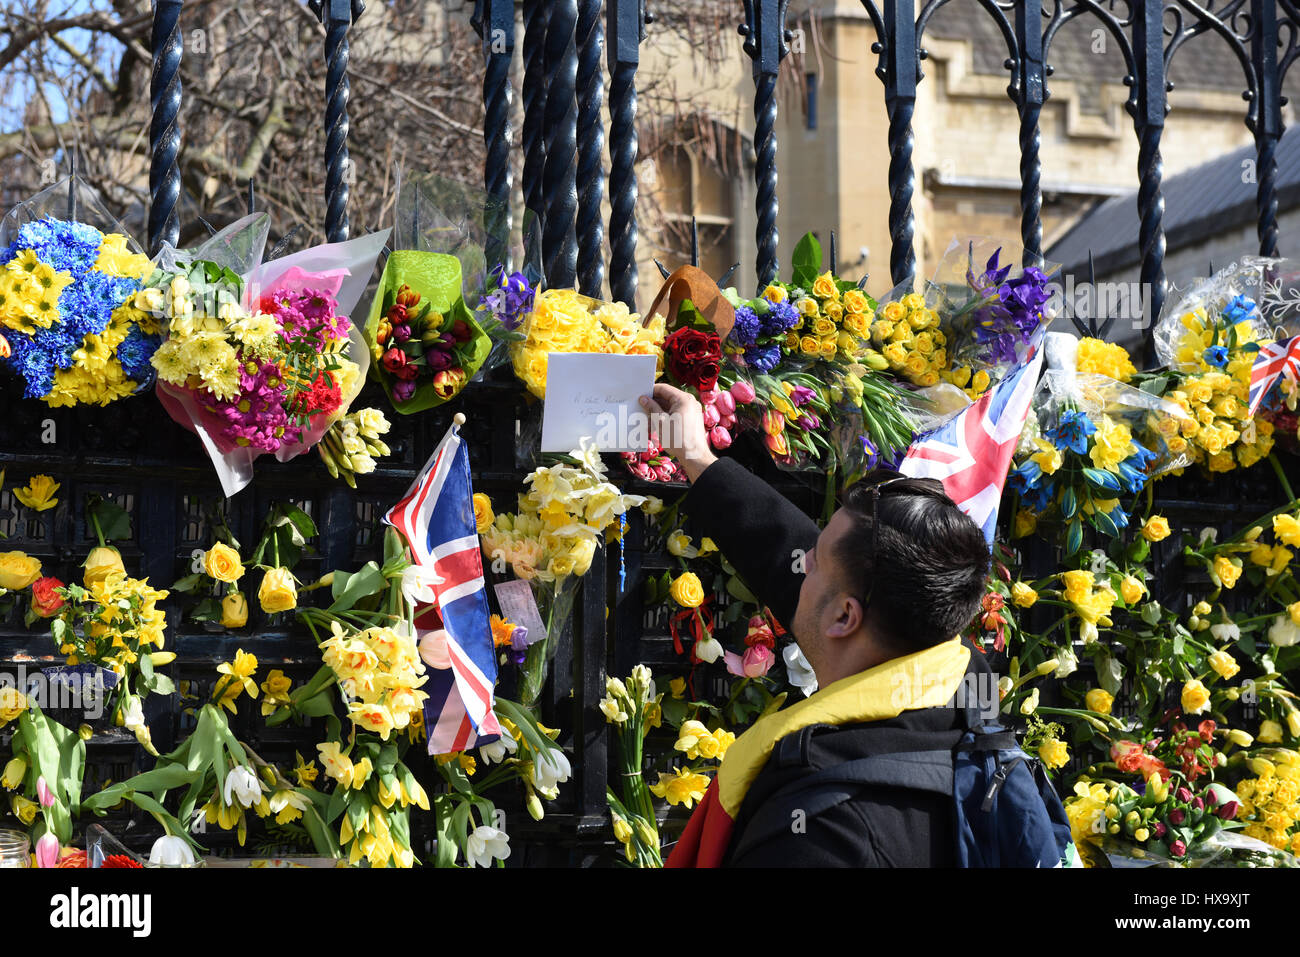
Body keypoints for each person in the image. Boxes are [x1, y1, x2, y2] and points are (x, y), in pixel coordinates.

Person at [640, 383, 997, 867]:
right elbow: (791, 555)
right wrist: (697, 457)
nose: (800, 563)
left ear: (845, 617)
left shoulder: (820, 833)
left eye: (815, 561)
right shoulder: (967, 702)